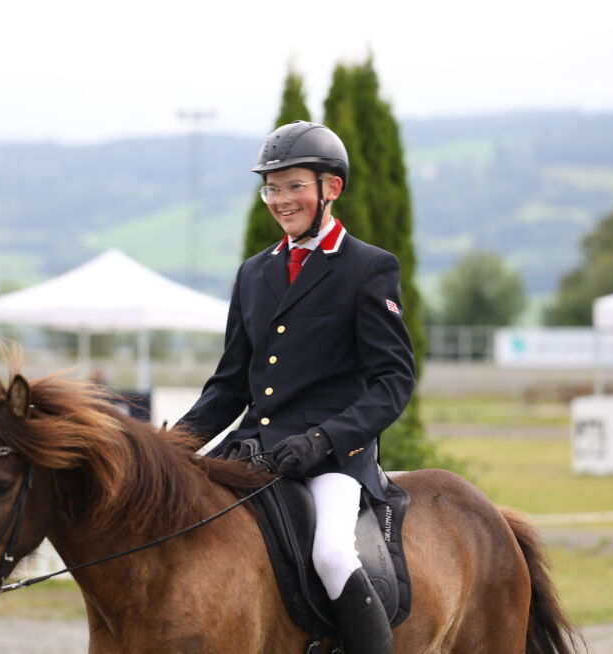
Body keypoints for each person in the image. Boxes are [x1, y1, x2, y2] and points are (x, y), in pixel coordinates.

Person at [178, 120, 415, 653]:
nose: (280, 200)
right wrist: (172, 446)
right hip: (256, 452)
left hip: (331, 459)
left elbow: (393, 381)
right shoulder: (253, 273)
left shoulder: (368, 268)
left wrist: (323, 440)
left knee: (331, 553)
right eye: (271, 188)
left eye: (293, 186)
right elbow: (230, 384)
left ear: (331, 188)